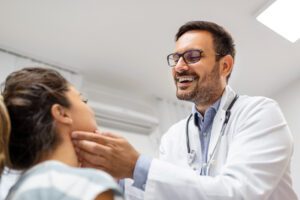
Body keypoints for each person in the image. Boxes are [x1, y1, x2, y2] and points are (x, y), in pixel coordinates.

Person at [71, 21, 298, 200]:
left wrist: (135, 165)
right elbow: (167, 194)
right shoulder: (174, 136)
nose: (179, 67)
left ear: (225, 65)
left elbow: (239, 194)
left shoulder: (259, 113)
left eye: (193, 56)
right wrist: (118, 176)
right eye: (176, 57)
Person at [0, 67, 122, 200]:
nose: (91, 110)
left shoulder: (18, 191)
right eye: (83, 100)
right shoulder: (86, 184)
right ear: (61, 113)